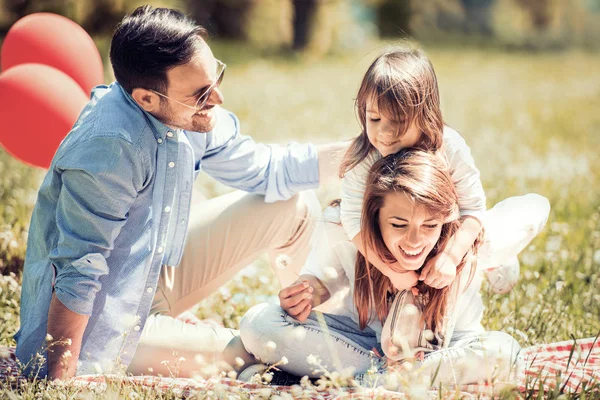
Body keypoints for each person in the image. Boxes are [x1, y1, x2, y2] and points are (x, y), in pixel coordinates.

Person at [15, 5, 345, 379]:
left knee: (293, 203)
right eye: (201, 93)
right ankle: (302, 351)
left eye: (216, 77)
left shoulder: (186, 112)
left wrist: (370, 149)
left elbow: (271, 169)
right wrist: (59, 380)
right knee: (265, 350)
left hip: (152, 270)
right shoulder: (110, 147)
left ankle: (333, 333)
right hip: (103, 324)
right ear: (146, 99)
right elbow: (79, 271)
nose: (217, 99)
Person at [235, 149, 550, 386]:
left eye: (429, 225)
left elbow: (537, 204)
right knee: (257, 324)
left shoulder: (468, 239)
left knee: (504, 352)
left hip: (445, 350)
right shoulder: (343, 229)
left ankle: (368, 385)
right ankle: (391, 383)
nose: (414, 240)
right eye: (398, 224)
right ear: (374, 217)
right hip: (362, 342)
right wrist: (309, 292)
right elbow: (320, 279)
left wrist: (453, 253)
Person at [338, 46, 520, 294]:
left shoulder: (450, 147)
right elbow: (351, 219)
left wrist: (451, 257)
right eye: (374, 119)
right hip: (397, 244)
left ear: (426, 115)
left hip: (447, 240)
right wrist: (393, 271)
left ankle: (491, 262)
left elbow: (473, 208)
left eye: (398, 121)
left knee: (485, 238)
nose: (384, 133)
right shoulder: (365, 156)